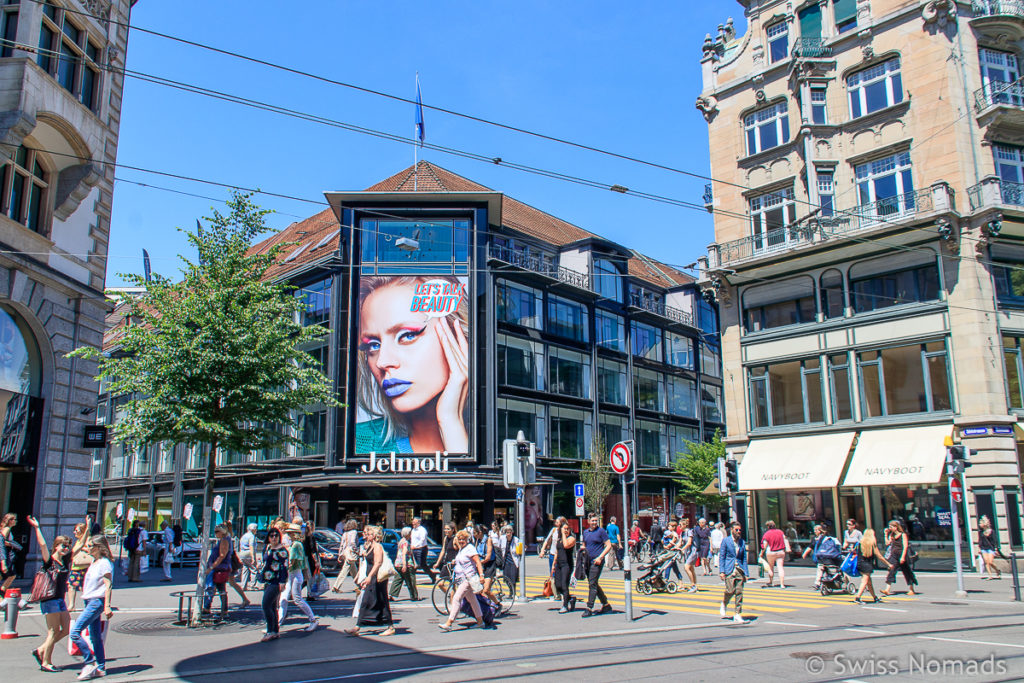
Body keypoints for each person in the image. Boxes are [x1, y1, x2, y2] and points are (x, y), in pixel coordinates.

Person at [353, 275, 470, 455]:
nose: (383, 362)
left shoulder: (501, 439)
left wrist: (451, 423)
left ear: (458, 337)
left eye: (407, 335)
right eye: (373, 345)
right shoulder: (357, 444)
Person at [27, 516, 72, 672]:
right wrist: (37, 527)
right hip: (50, 600)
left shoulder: (64, 561)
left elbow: (78, 547)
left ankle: (40, 650)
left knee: (66, 629)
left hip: (60, 599)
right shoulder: (49, 562)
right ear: (56, 546)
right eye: (63, 545)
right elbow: (42, 544)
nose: (66, 548)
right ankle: (46, 662)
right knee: (52, 632)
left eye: (67, 546)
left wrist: (87, 528)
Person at [69, 535, 114, 680]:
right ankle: (101, 667)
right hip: (89, 601)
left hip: (97, 601)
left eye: (90, 545)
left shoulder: (104, 563)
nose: (87, 548)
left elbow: (108, 585)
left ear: (98, 547)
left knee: (75, 632)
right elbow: (74, 554)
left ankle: (89, 662)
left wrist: (107, 606)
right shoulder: (94, 561)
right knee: (95, 637)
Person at [346, 526, 396, 636]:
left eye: (368, 534)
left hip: (377, 578)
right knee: (366, 601)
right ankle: (358, 626)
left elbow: (378, 563)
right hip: (372, 577)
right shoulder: (370, 546)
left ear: (374, 536)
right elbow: (368, 561)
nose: (366, 535)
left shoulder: (377, 546)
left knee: (382, 601)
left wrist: (369, 577)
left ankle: (390, 626)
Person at [438, 530, 491, 631]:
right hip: (462, 579)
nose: (461, 541)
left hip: (468, 578)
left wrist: (481, 575)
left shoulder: (470, 548)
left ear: (467, 539)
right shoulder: (462, 549)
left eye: (463, 539)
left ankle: (449, 623)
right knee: (473, 600)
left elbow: (478, 562)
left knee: (457, 598)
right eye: (459, 539)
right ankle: (480, 622)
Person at [279, 524, 318, 632]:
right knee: (284, 598)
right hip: (293, 574)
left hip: (295, 574)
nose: (288, 534)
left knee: (297, 599)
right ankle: (277, 623)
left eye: (290, 532)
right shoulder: (295, 544)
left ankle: (313, 620)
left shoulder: (296, 545)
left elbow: (292, 561)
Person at [259, 527, 288, 642]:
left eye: (276, 535)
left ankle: (270, 630)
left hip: (276, 581)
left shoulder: (282, 550)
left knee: (265, 605)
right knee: (272, 606)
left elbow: (284, 567)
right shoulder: (269, 548)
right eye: (272, 535)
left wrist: (282, 581)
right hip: (268, 579)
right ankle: (275, 631)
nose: (274, 537)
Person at [718, 521, 750, 625]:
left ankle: (737, 614)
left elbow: (744, 558)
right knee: (730, 590)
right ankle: (724, 603)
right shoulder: (726, 541)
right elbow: (722, 556)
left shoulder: (742, 542)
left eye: (740, 530)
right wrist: (721, 571)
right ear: (732, 530)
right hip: (729, 569)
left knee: (739, 592)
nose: (738, 532)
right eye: (736, 530)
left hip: (739, 570)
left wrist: (746, 573)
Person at [581, 513, 613, 617]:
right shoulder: (585, 532)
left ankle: (589, 607)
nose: (594, 522)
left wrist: (600, 557)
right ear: (588, 521)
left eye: (596, 520)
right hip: (587, 561)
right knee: (593, 583)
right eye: (593, 520)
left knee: (592, 583)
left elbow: (608, 545)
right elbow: (584, 545)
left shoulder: (601, 531)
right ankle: (606, 605)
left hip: (597, 561)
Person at [202, 524, 235, 618]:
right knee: (218, 589)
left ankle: (220, 610)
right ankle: (211, 608)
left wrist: (211, 567)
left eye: (217, 531)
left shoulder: (224, 541)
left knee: (215, 588)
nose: (215, 533)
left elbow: (222, 555)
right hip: (220, 567)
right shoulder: (224, 539)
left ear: (222, 532)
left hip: (219, 568)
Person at [853, 528, 892, 604]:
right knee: (864, 582)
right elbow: (879, 556)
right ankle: (857, 597)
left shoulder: (860, 543)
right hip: (867, 565)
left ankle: (875, 597)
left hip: (860, 564)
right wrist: (888, 564)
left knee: (869, 582)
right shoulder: (872, 543)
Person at [882, 520, 918, 596]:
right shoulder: (891, 535)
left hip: (902, 555)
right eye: (889, 527)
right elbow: (887, 543)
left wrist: (903, 557)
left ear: (896, 527)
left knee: (907, 571)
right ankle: (887, 589)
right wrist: (885, 534)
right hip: (894, 555)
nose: (889, 528)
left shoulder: (903, 535)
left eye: (891, 527)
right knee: (891, 570)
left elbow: (905, 546)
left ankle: (911, 589)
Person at [801, 524, 842, 590]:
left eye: (816, 530)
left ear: (820, 531)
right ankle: (820, 583)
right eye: (814, 530)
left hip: (822, 557)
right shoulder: (821, 538)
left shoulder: (821, 539)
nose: (814, 531)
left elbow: (810, 547)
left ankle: (817, 583)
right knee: (823, 569)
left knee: (820, 569)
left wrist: (804, 554)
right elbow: (810, 546)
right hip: (826, 557)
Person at [67, 517, 93, 611]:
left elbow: (91, 549)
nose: (74, 532)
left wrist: (83, 549)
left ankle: (89, 604)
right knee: (71, 585)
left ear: (82, 531)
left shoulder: (87, 539)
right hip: (76, 566)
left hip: (84, 567)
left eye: (76, 530)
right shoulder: (78, 541)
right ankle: (71, 605)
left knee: (84, 587)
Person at [552, 517, 577, 613]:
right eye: (564, 529)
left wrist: (563, 534)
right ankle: (570, 598)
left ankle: (565, 606)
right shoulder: (559, 539)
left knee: (564, 585)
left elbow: (566, 546)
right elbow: (557, 551)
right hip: (559, 564)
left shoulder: (571, 538)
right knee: (557, 585)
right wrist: (554, 565)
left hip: (567, 565)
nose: (566, 530)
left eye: (567, 529)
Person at [389, 526, 419, 600]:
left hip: (398, 563)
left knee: (398, 579)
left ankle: (391, 594)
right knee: (411, 580)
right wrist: (405, 565)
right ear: (408, 534)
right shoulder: (406, 542)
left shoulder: (401, 541)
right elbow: (404, 553)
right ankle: (414, 596)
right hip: (406, 564)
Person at [473, 524, 498, 606]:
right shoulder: (477, 541)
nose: (473, 535)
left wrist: (479, 563)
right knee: (478, 589)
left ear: (480, 532)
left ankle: (498, 604)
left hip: (489, 564)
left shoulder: (488, 540)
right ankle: (486, 607)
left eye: (475, 533)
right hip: (481, 565)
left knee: (486, 590)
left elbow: (488, 557)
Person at [333, 520, 361, 592]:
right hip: (350, 552)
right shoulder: (354, 532)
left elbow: (342, 545)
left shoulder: (345, 533)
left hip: (345, 552)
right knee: (345, 570)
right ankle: (336, 586)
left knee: (353, 570)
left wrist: (340, 554)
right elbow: (352, 542)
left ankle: (359, 584)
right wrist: (356, 550)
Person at [539, 517, 563, 602]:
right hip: (552, 555)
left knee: (560, 574)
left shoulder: (564, 531)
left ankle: (561, 591)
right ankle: (556, 594)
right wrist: (542, 550)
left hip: (561, 555)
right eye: (556, 522)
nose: (556, 523)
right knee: (552, 574)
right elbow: (547, 540)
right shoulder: (553, 530)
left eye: (557, 522)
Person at [760, 520, 789, 588]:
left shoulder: (767, 534)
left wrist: (761, 553)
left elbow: (764, 545)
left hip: (771, 552)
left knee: (770, 567)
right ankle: (782, 584)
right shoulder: (780, 532)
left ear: (768, 526)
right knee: (780, 567)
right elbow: (785, 539)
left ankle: (771, 582)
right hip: (780, 552)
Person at [410, 517, 434, 583]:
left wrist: (415, 546)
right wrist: (412, 546)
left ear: (419, 523)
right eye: (413, 522)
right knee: (413, 564)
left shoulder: (422, 530)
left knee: (421, 565)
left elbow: (422, 540)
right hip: (414, 549)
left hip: (421, 549)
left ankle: (432, 576)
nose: (413, 523)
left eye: (414, 522)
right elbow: (412, 540)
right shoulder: (413, 530)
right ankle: (411, 580)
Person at [301, 523, 321, 600]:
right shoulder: (310, 537)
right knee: (310, 577)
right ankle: (310, 594)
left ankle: (296, 592)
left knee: (305, 577)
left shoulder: (303, 538)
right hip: (310, 560)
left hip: (304, 558)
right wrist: (316, 561)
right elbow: (313, 550)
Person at [680, 518, 700, 593]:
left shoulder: (689, 532)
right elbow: (680, 542)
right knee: (691, 568)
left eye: (680, 525)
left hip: (692, 552)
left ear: (685, 525)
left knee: (686, 567)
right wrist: (675, 547)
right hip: (687, 552)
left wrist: (682, 548)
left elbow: (689, 542)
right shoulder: (682, 533)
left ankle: (693, 585)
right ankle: (695, 585)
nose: (679, 526)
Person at [978, 516, 1001, 580]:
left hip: (991, 548)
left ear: (985, 524)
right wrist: (979, 548)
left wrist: (996, 548)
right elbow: (980, 541)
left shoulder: (992, 531)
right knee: (986, 562)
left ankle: (997, 570)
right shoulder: (981, 532)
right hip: (983, 548)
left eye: (981, 523)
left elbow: (995, 540)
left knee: (990, 562)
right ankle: (990, 575)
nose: (980, 525)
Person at [1, 512, 19, 592]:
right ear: (10, 520)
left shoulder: (7, 529)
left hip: (5, 555)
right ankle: (2, 590)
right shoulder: (7, 529)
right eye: (14, 519)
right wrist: (11, 545)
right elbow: (2, 541)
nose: (16, 521)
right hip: (5, 555)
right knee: (12, 575)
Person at [238, 523, 258, 589]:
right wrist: (253, 557)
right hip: (248, 553)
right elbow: (251, 546)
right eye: (256, 529)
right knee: (253, 569)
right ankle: (252, 585)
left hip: (242, 554)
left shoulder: (244, 536)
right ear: (253, 529)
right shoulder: (252, 536)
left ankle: (243, 585)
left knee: (245, 569)